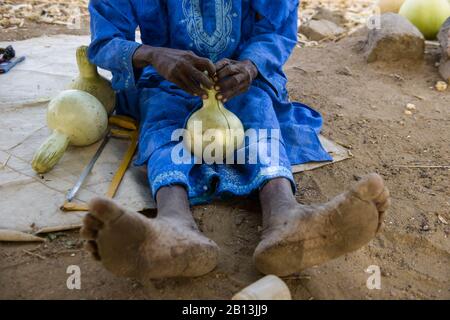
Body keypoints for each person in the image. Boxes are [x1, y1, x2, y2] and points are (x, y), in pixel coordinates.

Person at [80, 0, 390, 280]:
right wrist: (153, 54)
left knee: (257, 108)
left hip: (243, 77)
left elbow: (277, 28)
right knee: (162, 117)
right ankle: (173, 225)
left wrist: (251, 66)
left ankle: (285, 215)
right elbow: (105, 40)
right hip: (164, 81)